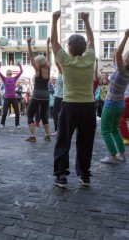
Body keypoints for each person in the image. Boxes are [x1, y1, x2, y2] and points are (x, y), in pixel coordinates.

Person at [51, 10, 96, 188]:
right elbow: (92, 40)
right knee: (86, 141)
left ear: (69, 49)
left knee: (64, 140)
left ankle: (61, 175)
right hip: (88, 106)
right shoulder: (90, 59)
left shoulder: (66, 62)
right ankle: (84, 175)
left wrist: (54, 20)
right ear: (84, 49)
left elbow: (54, 43)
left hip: (70, 105)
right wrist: (86, 21)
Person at [100, 29, 129, 164]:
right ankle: (122, 154)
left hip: (111, 103)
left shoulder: (122, 69)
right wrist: (115, 56)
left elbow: (118, 54)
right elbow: (116, 57)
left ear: (125, 60)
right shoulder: (125, 72)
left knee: (105, 130)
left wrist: (126, 37)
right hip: (120, 104)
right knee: (115, 129)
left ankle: (112, 156)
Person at [26, 37, 51, 142]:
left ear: (38, 62)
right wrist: (47, 44)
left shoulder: (38, 69)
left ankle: (32, 136)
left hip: (37, 94)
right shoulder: (48, 68)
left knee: (30, 114)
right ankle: (47, 134)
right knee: (43, 115)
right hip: (46, 95)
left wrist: (28, 43)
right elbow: (48, 56)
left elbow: (31, 56)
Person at [0, 61, 23, 128]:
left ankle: (17, 124)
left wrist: (19, 65)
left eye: (9, 74)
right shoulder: (5, 79)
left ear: (11, 74)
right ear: (7, 74)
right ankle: (2, 124)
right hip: (7, 98)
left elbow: (21, 72)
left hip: (13, 98)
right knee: (5, 112)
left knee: (17, 112)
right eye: (8, 75)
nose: (9, 76)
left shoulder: (11, 78)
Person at [51, 61, 63, 136]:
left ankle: (58, 130)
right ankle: (58, 130)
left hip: (60, 97)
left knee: (57, 114)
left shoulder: (63, 74)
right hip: (59, 96)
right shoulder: (60, 74)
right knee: (56, 114)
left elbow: (57, 63)